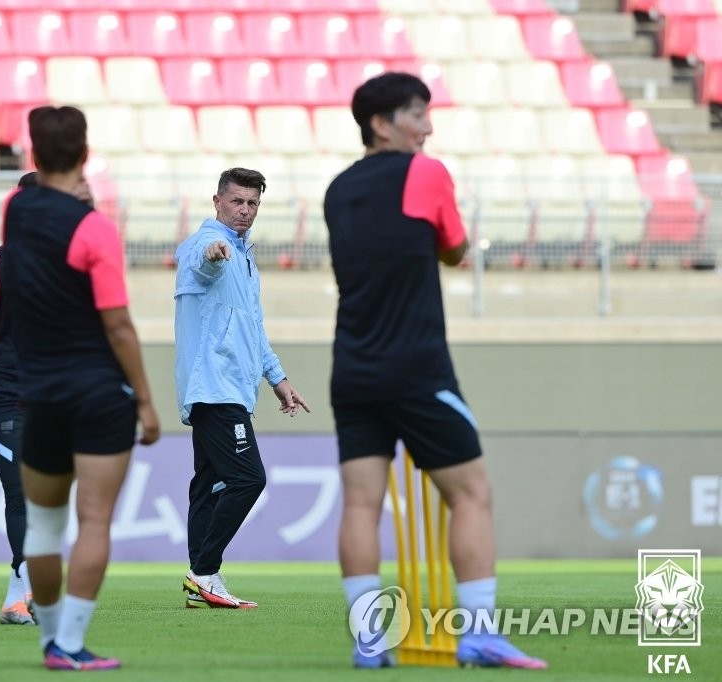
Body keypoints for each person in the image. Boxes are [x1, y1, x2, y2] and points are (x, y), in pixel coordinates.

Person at [323, 72, 546, 669]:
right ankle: (477, 634)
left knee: (361, 505)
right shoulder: (426, 172)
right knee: (471, 493)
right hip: (417, 367)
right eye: (417, 113)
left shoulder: (337, 189)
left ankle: (370, 642)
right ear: (381, 123)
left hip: (352, 368)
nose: (428, 125)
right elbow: (454, 248)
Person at [0, 105, 160, 671]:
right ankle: (71, 641)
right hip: (96, 391)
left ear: (33, 154)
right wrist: (144, 397)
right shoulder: (96, 229)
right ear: (86, 153)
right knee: (94, 521)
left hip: (38, 392)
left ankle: (50, 642)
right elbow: (117, 323)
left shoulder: (16, 210)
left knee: (43, 525)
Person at [0, 171, 94, 626]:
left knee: (44, 500)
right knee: (24, 495)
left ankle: (17, 595)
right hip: (7, 398)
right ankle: (27, 593)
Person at [174, 167, 310, 610]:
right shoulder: (206, 245)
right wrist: (212, 255)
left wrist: (278, 378)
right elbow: (200, 263)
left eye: (252, 203)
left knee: (207, 485)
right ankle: (204, 571)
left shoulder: (245, 257)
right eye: (236, 201)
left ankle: (202, 581)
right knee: (248, 478)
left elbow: (253, 327)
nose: (245, 211)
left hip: (230, 387)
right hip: (214, 387)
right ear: (217, 202)